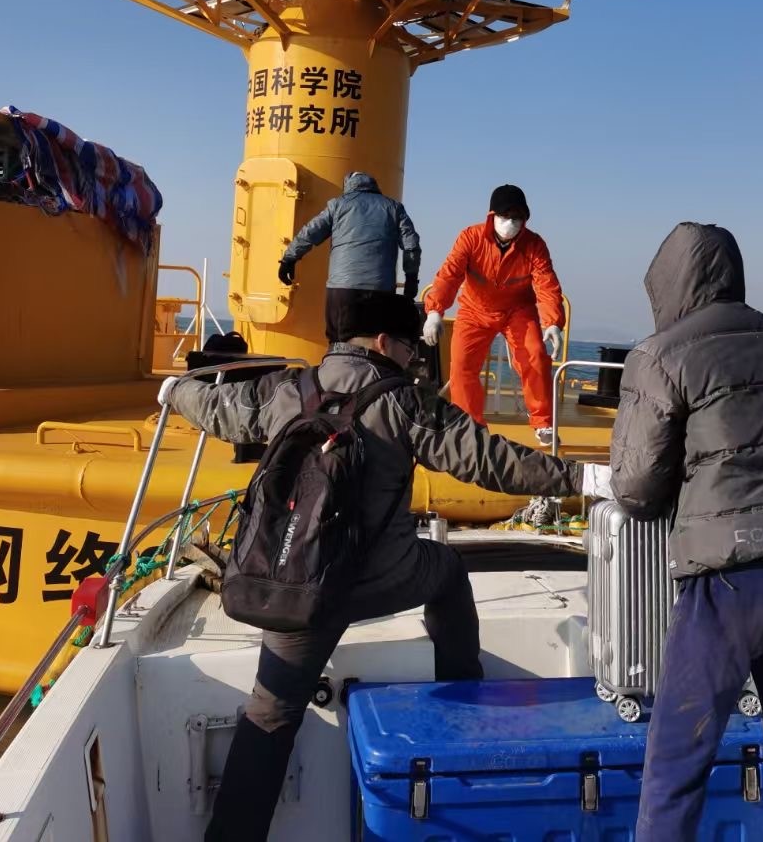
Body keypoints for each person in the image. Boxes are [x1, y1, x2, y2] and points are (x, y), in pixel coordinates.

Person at [158, 291, 613, 842]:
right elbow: (488, 459)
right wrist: (579, 478)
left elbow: (219, 408)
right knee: (447, 570)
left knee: (270, 713)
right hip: (379, 577)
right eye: (408, 347)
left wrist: (174, 390)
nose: (413, 358)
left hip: (296, 584)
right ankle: (462, 706)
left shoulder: (288, 389)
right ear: (381, 342)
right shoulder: (402, 402)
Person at [607, 222, 763, 841]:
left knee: (674, 769)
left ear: (668, 285)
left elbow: (634, 489)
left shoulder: (660, 354)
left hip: (730, 584)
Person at [422, 184, 564, 445]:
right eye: (505, 216)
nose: (511, 223)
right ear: (492, 215)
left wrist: (553, 323)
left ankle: (543, 422)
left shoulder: (535, 245)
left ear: (525, 220)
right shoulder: (470, 238)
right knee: (462, 365)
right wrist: (434, 311)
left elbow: (547, 284)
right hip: (475, 310)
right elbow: (449, 274)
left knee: (535, 355)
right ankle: (470, 425)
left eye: (517, 218)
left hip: (518, 310)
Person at [277, 171, 421, 342]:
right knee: (375, 344)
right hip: (381, 289)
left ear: (348, 185)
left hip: (343, 289)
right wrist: (411, 279)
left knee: (339, 342)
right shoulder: (393, 208)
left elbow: (310, 233)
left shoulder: (338, 205)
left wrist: (289, 259)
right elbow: (411, 245)